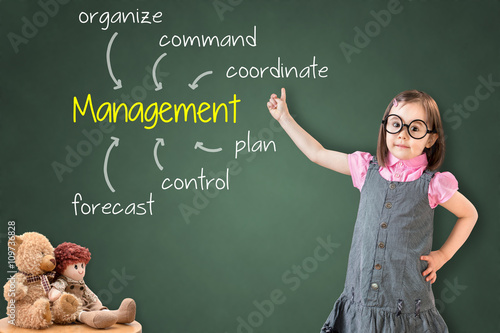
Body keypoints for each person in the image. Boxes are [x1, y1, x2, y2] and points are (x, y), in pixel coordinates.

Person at [266, 88, 477, 333]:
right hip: (361, 300)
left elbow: (469, 214)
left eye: (415, 128)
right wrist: (284, 118)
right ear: (385, 127)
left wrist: (443, 255)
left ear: (430, 139)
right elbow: (317, 153)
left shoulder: (433, 184)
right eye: (396, 124)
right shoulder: (366, 169)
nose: (403, 135)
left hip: (406, 305)